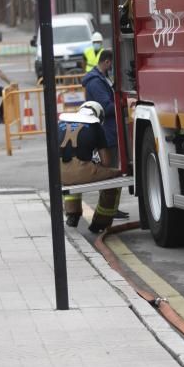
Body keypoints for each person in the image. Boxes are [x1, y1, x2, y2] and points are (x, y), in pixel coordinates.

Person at [80, 49, 129, 220]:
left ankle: (110, 209)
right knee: (111, 172)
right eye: (112, 65)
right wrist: (122, 103)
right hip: (107, 133)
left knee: (112, 171)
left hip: (109, 132)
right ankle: (107, 210)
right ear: (107, 62)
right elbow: (105, 107)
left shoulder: (101, 79)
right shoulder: (96, 82)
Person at [59, 101, 122, 232]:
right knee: (115, 179)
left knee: (72, 182)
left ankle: (72, 215)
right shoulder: (95, 126)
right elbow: (106, 161)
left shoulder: (62, 123)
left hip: (59, 173)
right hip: (82, 171)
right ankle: (100, 222)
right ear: (98, 115)